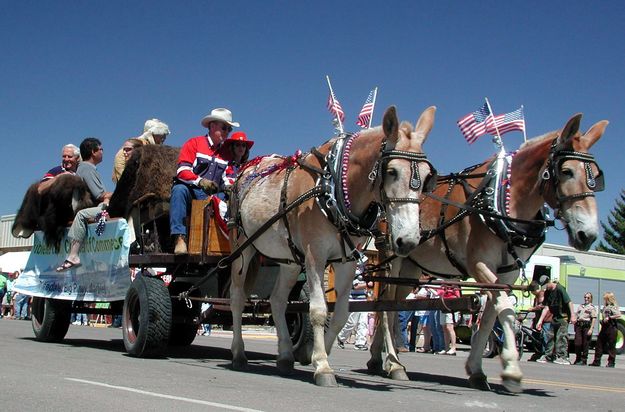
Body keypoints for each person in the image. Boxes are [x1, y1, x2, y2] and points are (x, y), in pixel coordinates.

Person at [170, 108, 239, 255]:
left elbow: (229, 179)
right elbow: (182, 172)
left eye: (229, 129)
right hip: (192, 192)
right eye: (224, 127)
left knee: (232, 199)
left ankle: (231, 240)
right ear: (212, 126)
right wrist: (201, 182)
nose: (227, 132)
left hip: (214, 197)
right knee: (179, 190)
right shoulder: (194, 143)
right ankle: (180, 238)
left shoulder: (227, 153)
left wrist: (229, 187)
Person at [56, 138, 113, 271]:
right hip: (86, 210)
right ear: (93, 152)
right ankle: (73, 255)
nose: (103, 152)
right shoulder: (87, 169)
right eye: (101, 149)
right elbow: (100, 194)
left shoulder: (84, 168)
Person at [112, 119, 170, 183]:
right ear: (151, 134)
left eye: (165, 134)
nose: (164, 137)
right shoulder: (135, 145)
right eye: (160, 134)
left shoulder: (154, 149)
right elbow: (120, 163)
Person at [536, 276, 576, 365]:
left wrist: (573, 315)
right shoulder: (548, 292)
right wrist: (540, 321)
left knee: (561, 337)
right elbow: (546, 307)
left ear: (549, 281)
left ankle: (563, 357)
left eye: (546, 285)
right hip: (555, 318)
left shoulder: (559, 288)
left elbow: (569, 302)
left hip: (563, 317)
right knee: (550, 337)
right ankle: (548, 356)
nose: (545, 288)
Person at [337, 267, 372, 351]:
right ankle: (341, 337)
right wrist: (368, 284)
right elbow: (355, 286)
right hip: (353, 299)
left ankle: (360, 342)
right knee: (352, 322)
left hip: (363, 298)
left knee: (363, 322)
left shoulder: (364, 270)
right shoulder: (351, 270)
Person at [590, 292, 621, 368]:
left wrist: (609, 317)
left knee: (611, 346)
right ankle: (596, 361)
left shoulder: (613, 306)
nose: (604, 300)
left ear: (608, 299)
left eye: (605, 299)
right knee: (599, 344)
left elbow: (618, 315)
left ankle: (611, 362)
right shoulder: (605, 307)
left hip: (611, 328)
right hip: (604, 327)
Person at [573, 292, 597, 365]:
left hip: (586, 326)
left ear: (591, 299)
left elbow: (593, 318)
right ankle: (578, 358)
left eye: (588, 298)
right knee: (577, 343)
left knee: (585, 344)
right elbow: (577, 315)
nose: (586, 299)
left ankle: (584, 360)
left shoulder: (592, 307)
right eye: (585, 297)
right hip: (579, 326)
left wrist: (591, 329)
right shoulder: (581, 306)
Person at [527, 288, 550, 362]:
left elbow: (543, 306)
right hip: (537, 320)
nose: (532, 293)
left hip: (545, 320)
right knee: (535, 337)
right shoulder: (536, 297)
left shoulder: (542, 294)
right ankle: (538, 353)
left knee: (545, 337)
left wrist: (534, 308)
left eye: (532, 291)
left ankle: (546, 354)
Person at [437, 285, 460, 355]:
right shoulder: (442, 286)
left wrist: (447, 295)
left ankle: (453, 348)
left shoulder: (454, 286)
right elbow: (440, 294)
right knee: (444, 328)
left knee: (449, 327)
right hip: (443, 307)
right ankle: (446, 348)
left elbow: (457, 296)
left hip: (451, 307)